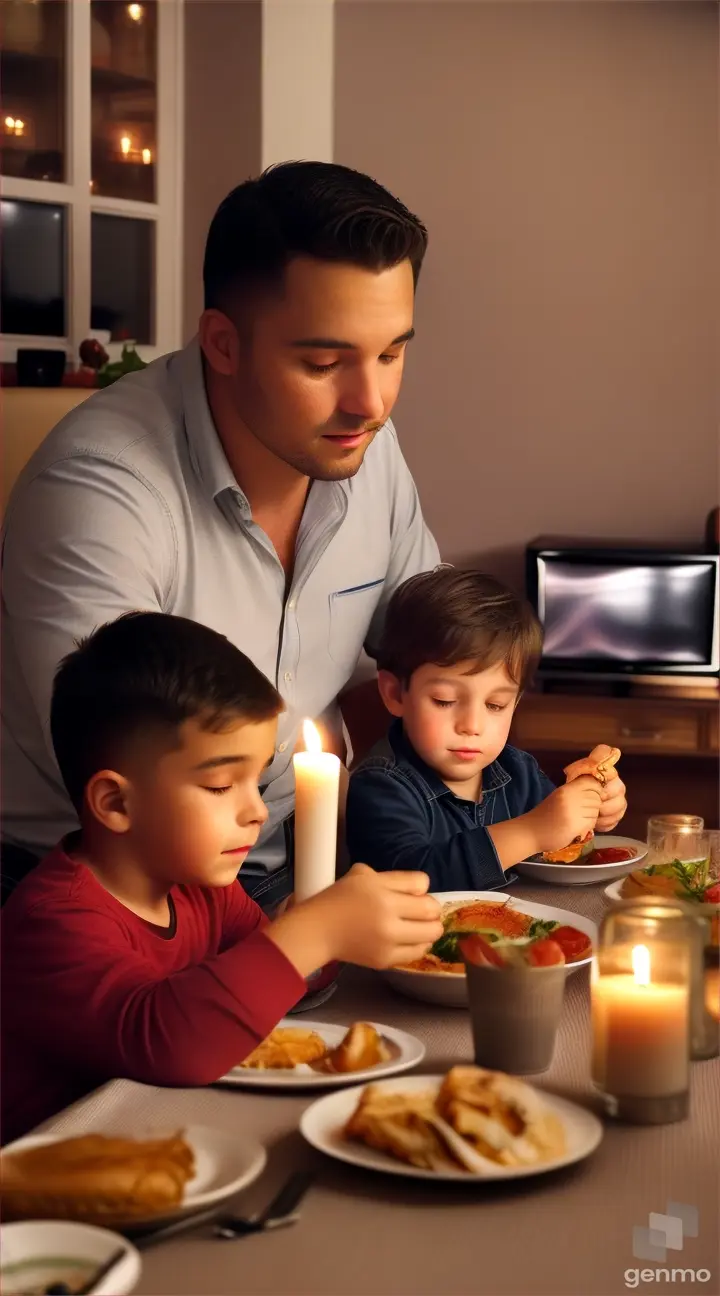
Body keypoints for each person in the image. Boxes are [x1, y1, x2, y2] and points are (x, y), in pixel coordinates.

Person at [1, 161, 439, 909]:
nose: (371, 402)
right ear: (223, 344)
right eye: (325, 362)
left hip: (293, 863)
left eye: (392, 353)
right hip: (96, 891)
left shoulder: (366, 445)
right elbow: (133, 785)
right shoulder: (98, 487)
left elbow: (428, 657)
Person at [0, 612, 443, 1143]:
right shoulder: (54, 922)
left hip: (170, 1139)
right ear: (117, 802)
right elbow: (169, 1042)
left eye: (255, 780)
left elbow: (276, 990)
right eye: (219, 786)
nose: (257, 811)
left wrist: (322, 925)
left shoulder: (202, 890)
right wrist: (315, 931)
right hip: (51, 1189)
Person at [345, 568, 628, 889]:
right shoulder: (380, 787)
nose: (472, 726)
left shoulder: (518, 771)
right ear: (396, 694)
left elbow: (563, 845)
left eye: (495, 705)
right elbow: (411, 879)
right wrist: (531, 831)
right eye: (444, 700)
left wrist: (593, 808)